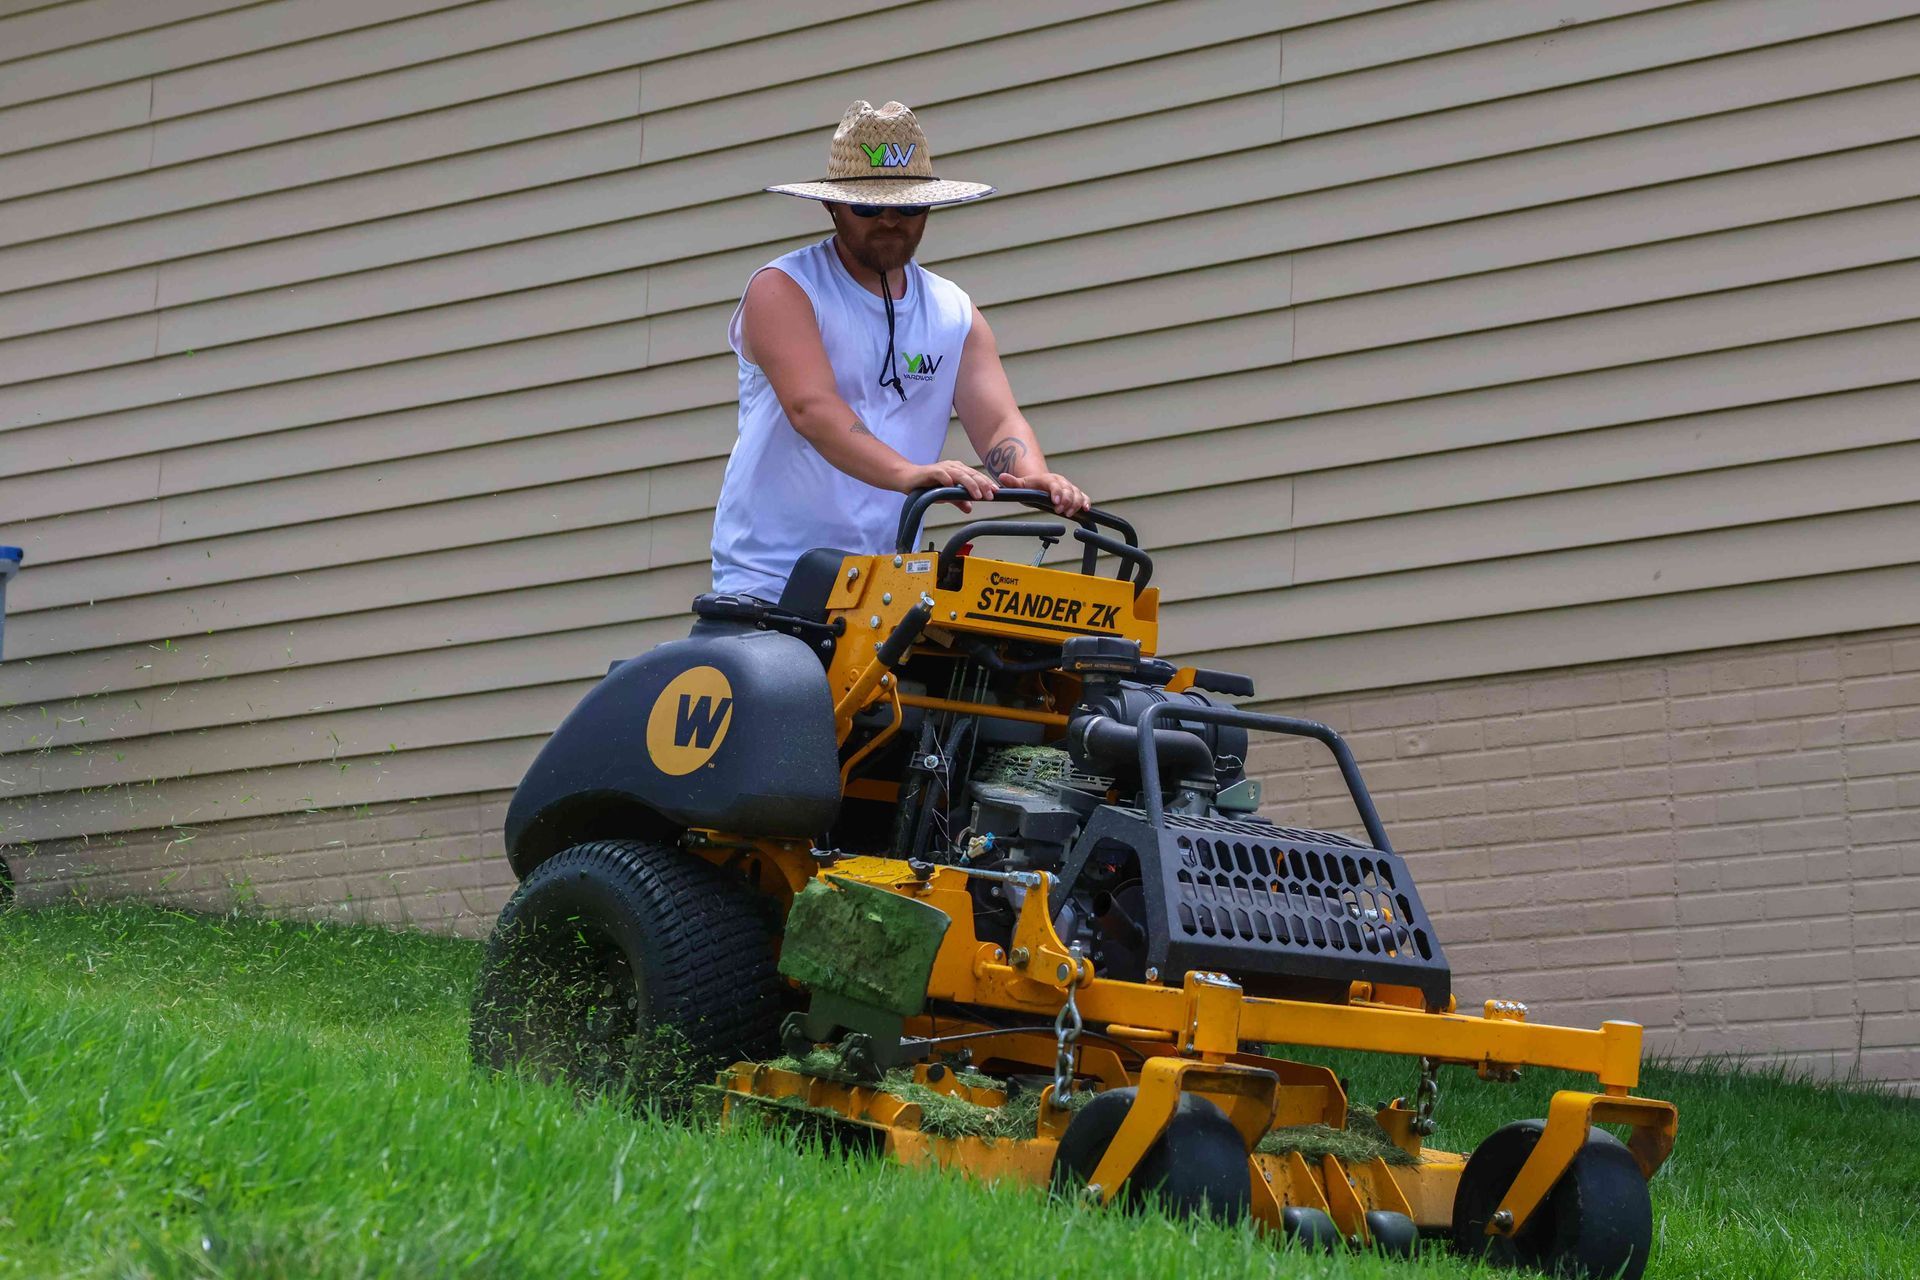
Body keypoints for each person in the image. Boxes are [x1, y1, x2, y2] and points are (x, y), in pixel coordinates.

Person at [710, 99, 1090, 603]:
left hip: (883, 592)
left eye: (908, 207)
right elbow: (812, 409)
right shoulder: (785, 288)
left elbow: (998, 424)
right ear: (832, 205)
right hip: (771, 583)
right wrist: (908, 473)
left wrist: (1033, 476)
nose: (890, 220)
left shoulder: (954, 311)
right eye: (869, 206)